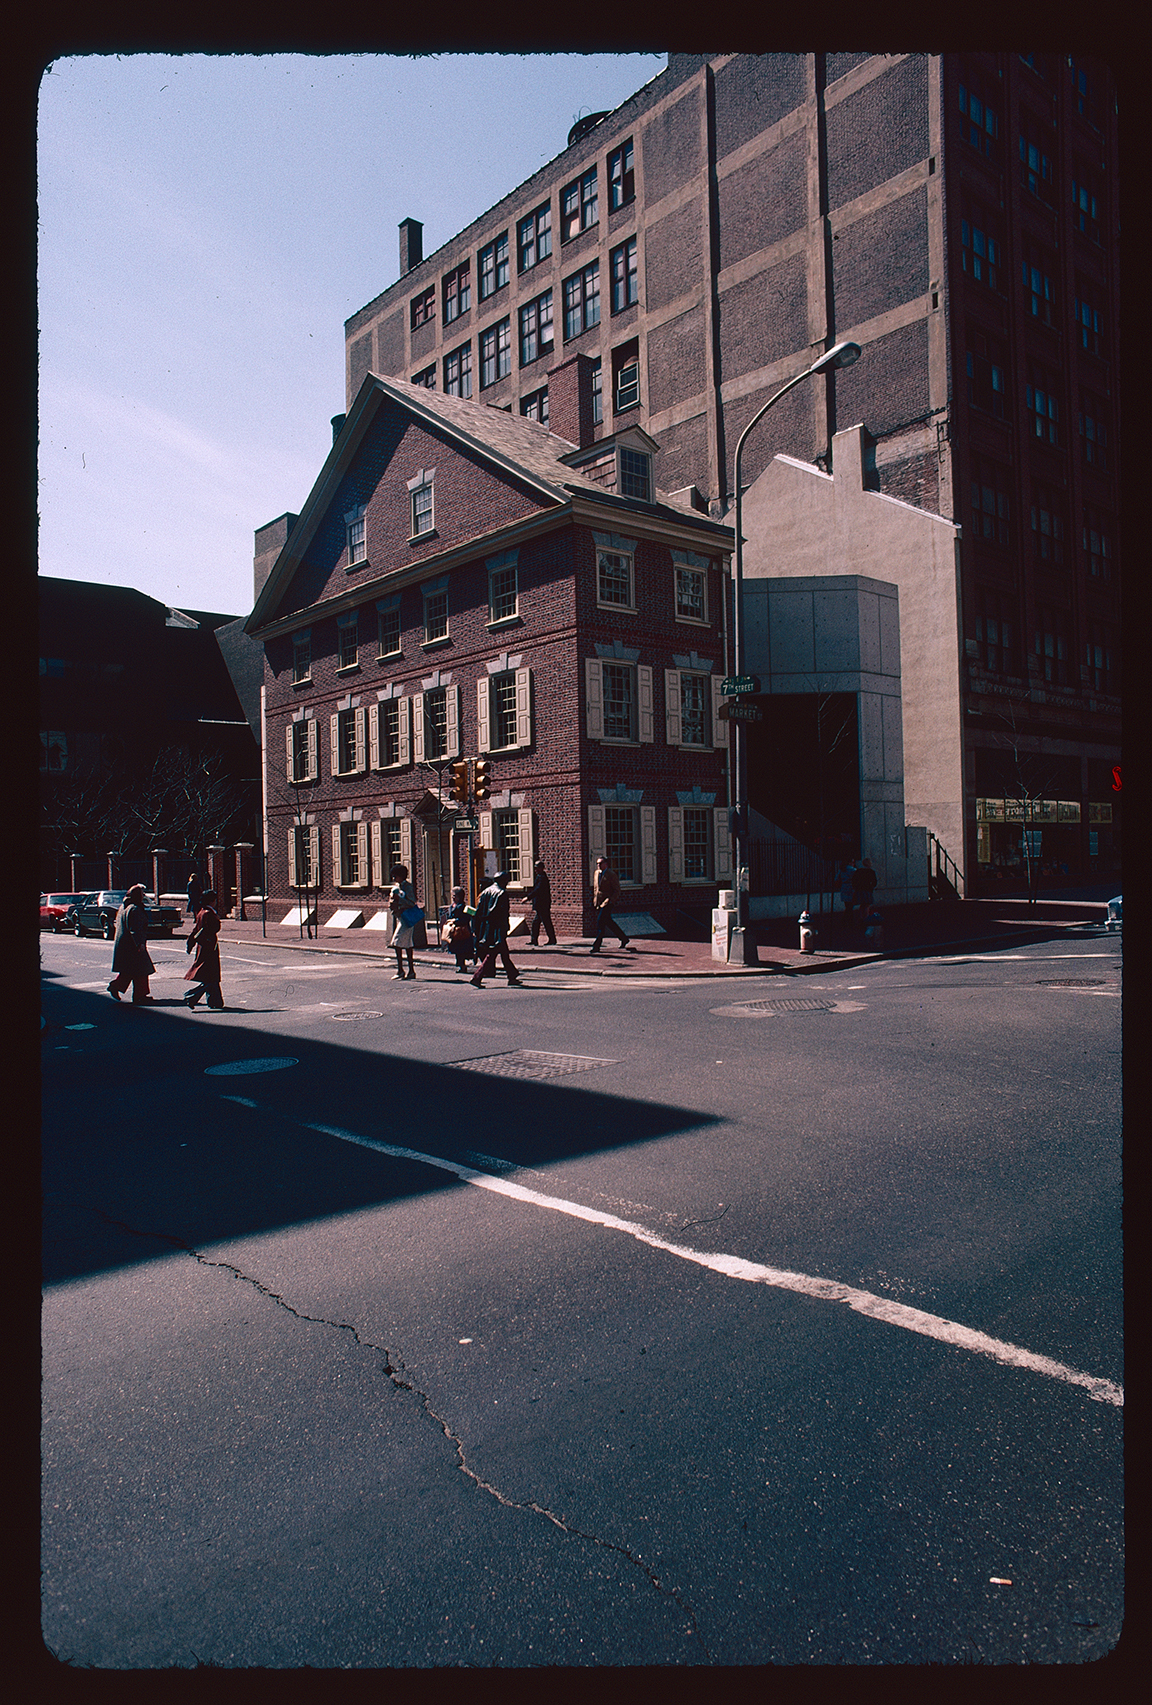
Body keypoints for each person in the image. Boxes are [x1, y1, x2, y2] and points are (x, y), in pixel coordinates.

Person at [469, 871, 522, 987]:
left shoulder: (485, 892)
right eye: (506, 881)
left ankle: (512, 975)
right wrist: (505, 927)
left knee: (504, 953)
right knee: (492, 953)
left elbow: (478, 912)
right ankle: (477, 977)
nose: (507, 883)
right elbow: (503, 914)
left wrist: (478, 929)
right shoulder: (501, 894)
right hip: (497, 929)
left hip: (486, 927)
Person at [107, 884, 156, 1003]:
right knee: (142, 970)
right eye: (142, 894)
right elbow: (135, 928)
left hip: (125, 945)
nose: (143, 896)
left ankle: (116, 986)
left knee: (129, 970)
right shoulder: (134, 909)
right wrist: (140, 943)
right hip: (132, 945)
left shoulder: (124, 907)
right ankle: (140, 996)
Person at [183, 893, 224, 1008]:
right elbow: (214, 928)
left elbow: (195, 930)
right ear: (212, 901)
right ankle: (192, 996)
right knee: (211, 975)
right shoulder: (208, 913)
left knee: (210, 975)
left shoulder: (201, 912)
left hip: (203, 946)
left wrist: (190, 943)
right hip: (209, 946)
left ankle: (214, 1002)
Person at [589, 856, 632, 953]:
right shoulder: (596, 873)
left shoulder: (611, 874)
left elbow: (617, 890)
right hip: (599, 902)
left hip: (607, 902)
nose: (598, 865)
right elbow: (596, 888)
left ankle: (596, 946)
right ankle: (623, 938)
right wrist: (595, 900)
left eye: (600, 863)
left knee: (600, 922)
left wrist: (611, 900)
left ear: (606, 864)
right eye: (597, 863)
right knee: (609, 922)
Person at [388, 863, 419, 980]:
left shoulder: (408, 887)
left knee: (396, 942)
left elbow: (411, 902)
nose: (394, 878)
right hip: (400, 917)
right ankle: (410, 971)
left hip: (407, 918)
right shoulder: (398, 887)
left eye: (396, 876)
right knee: (407, 944)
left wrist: (399, 900)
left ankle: (401, 970)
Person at [445, 886, 476, 973]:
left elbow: (466, 918)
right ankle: (460, 965)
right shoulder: (452, 906)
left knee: (462, 950)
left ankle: (465, 963)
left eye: (454, 896)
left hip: (462, 931)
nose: (453, 898)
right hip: (454, 931)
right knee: (456, 950)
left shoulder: (463, 907)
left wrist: (456, 920)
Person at [527, 859, 557, 947]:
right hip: (541, 905)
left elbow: (538, 890)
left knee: (543, 922)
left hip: (542, 904)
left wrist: (528, 897)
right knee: (539, 922)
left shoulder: (542, 878)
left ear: (541, 868)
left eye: (537, 868)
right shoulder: (540, 877)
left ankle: (549, 939)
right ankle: (536, 940)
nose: (536, 870)